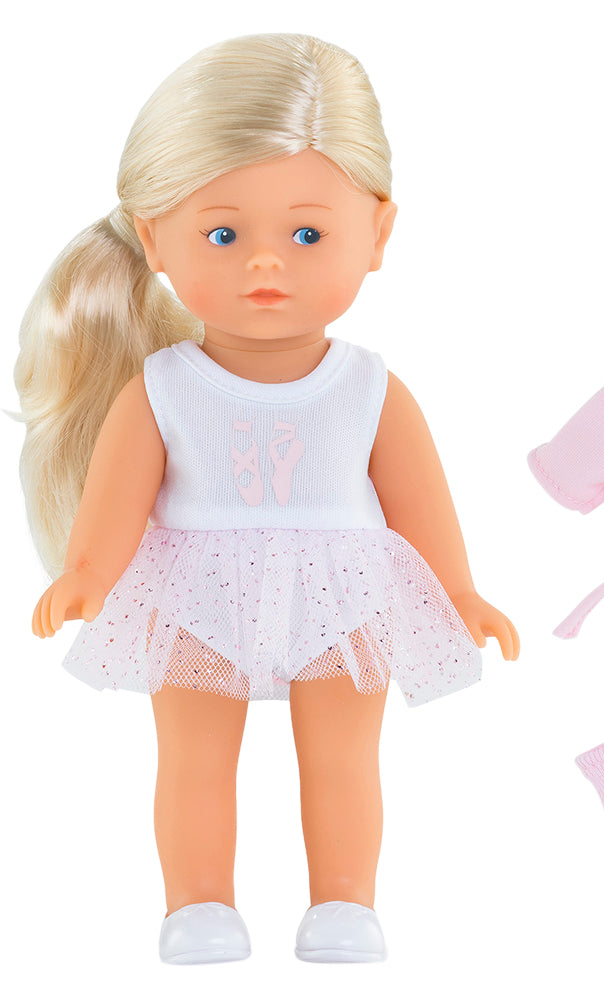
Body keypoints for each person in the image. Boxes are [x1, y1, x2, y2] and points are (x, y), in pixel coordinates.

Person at [16, 32, 518, 965]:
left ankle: (345, 903)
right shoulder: (162, 388)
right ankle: (198, 906)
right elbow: (117, 503)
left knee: (342, 758)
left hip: (344, 596)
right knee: (194, 759)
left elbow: (419, 506)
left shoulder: (369, 386)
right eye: (222, 235)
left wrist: (458, 593)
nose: (265, 265)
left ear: (379, 233)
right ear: (153, 238)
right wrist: (87, 573)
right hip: (194, 592)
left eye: (307, 234)